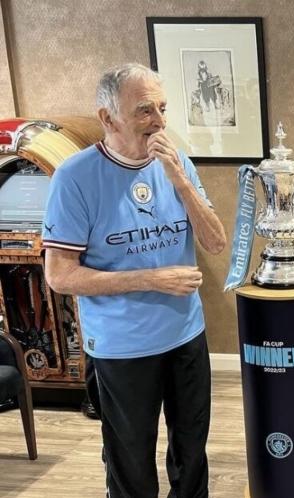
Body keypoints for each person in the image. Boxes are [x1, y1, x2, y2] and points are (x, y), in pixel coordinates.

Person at [42, 63, 226, 497]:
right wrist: (150, 278)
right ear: (108, 118)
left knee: (192, 455)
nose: (159, 121)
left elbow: (216, 242)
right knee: (131, 466)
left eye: (162, 108)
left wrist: (179, 179)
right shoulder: (75, 177)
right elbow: (59, 275)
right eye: (145, 110)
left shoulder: (176, 163)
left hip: (186, 338)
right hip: (122, 349)